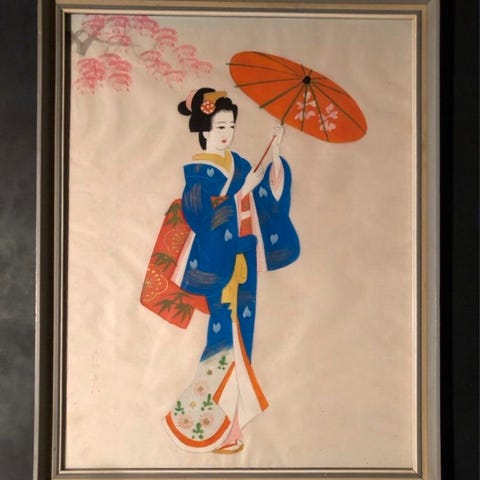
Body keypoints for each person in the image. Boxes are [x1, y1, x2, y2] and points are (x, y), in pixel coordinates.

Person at [147, 88, 300, 453]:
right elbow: (201, 219)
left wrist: (275, 155)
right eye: (219, 127)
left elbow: (265, 196)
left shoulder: (241, 164)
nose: (227, 133)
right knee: (223, 340)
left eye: (231, 126)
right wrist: (237, 193)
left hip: (244, 259)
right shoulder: (199, 175)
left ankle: (230, 429)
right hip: (219, 263)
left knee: (243, 339)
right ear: (204, 130)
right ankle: (197, 424)